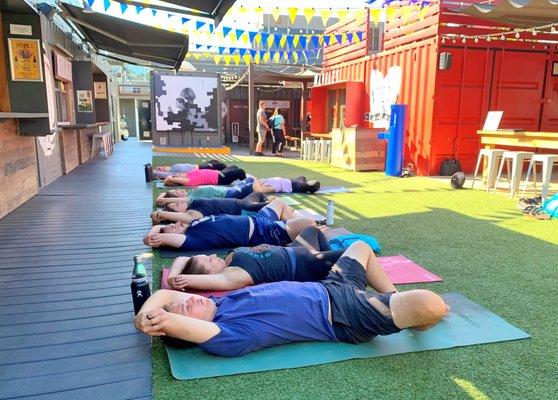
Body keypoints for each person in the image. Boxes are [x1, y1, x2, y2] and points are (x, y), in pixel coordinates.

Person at [134, 241, 450, 356]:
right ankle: (408, 315)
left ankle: (393, 301)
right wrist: (160, 322)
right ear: (189, 331)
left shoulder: (219, 302)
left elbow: (162, 293)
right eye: (183, 310)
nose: (186, 301)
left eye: (182, 301)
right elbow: (172, 315)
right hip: (345, 315)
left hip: (331, 285)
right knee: (430, 304)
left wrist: (140, 317)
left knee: (360, 248)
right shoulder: (229, 336)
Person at [166, 226, 345, 291]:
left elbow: (182, 258)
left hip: (293, 249)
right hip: (306, 265)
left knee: (312, 230)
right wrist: (180, 281)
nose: (213, 256)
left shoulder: (229, 257)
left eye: (209, 256)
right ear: (207, 276)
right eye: (209, 261)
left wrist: (173, 275)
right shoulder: (232, 275)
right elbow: (193, 276)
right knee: (355, 251)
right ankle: (337, 273)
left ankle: (335, 276)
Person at [143, 198, 317, 251]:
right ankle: (296, 245)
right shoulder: (193, 238)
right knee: (309, 223)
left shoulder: (194, 224)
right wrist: (160, 232)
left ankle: (294, 239)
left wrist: (159, 226)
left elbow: (159, 229)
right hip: (263, 232)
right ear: (174, 236)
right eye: (173, 226)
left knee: (279, 202)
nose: (177, 222)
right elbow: (151, 238)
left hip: (259, 219)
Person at [151, 192, 271, 225]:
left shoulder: (191, 203)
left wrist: (166, 202)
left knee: (258, 194)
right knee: (276, 205)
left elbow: (161, 200)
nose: (179, 202)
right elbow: (187, 218)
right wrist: (161, 215)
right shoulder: (193, 213)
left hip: (241, 201)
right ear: (178, 215)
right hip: (244, 209)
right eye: (177, 206)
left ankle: (270, 213)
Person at [163, 166, 246, 187]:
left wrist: (173, 177)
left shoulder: (188, 174)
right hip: (221, 179)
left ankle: (244, 179)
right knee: (240, 172)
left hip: (219, 173)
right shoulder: (188, 181)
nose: (180, 173)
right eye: (178, 175)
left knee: (234, 167)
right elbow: (171, 179)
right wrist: (170, 179)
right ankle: (247, 185)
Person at [153, 160, 228, 179]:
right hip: (200, 169)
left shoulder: (171, 167)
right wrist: (156, 172)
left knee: (215, 161)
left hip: (200, 165)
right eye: (159, 170)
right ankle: (228, 172)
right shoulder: (170, 173)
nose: (161, 169)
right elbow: (155, 173)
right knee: (221, 165)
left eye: (159, 167)